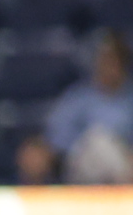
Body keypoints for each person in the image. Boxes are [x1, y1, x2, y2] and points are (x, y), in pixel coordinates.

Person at [47, 35, 133, 171]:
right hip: (83, 167)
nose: (109, 67)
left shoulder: (129, 99)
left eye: (114, 61)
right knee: (97, 141)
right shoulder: (79, 97)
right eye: (105, 61)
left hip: (126, 164)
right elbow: (57, 137)